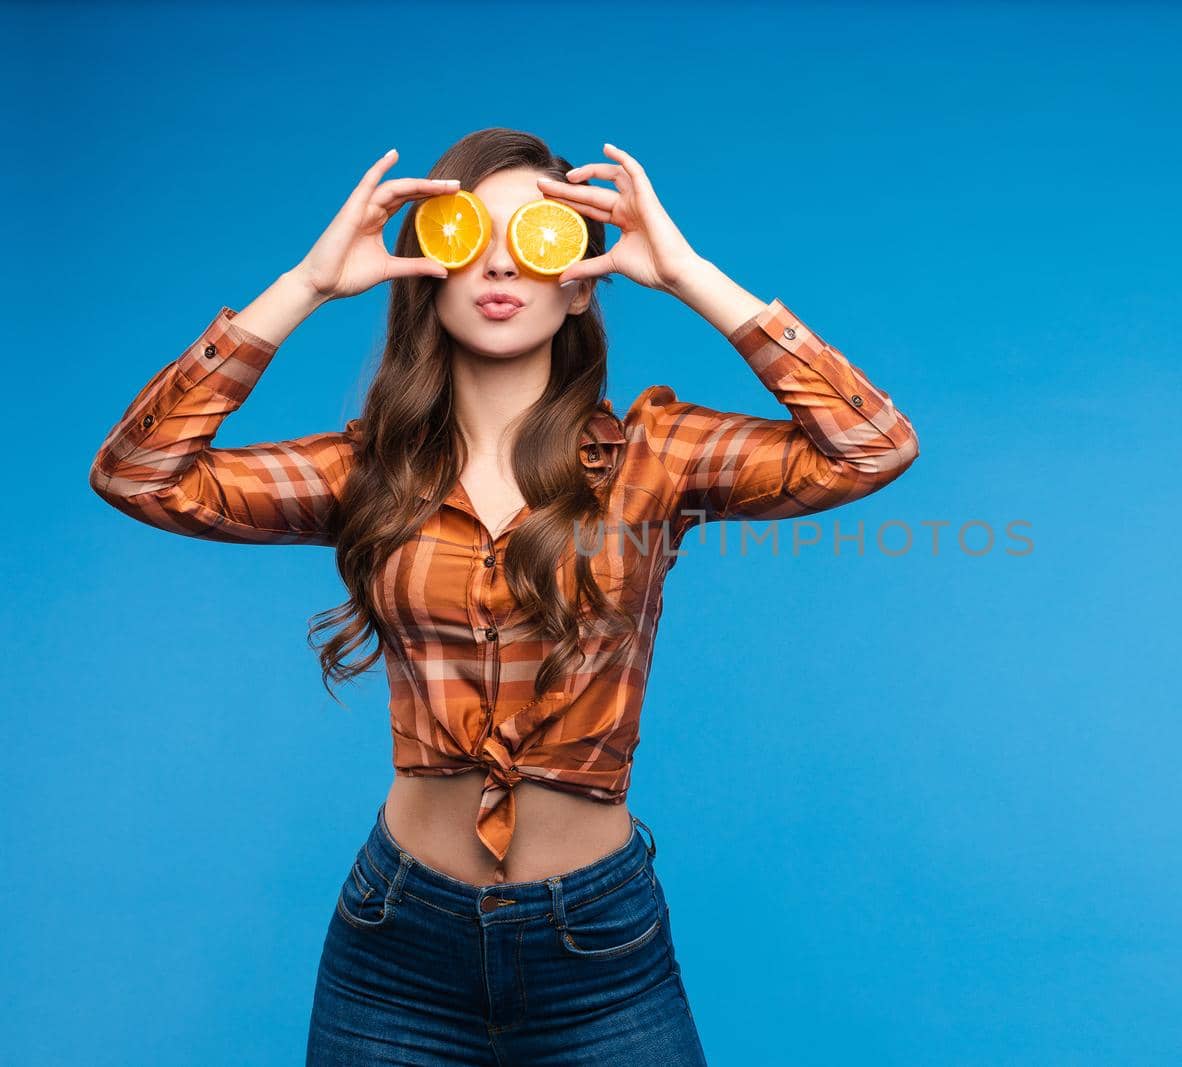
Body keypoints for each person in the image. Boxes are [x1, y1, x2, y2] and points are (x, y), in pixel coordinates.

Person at [88, 127, 920, 1065]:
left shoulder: (654, 457)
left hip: (600, 945)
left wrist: (689, 275)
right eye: (463, 235)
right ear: (425, 269)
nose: (498, 264)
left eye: (538, 237)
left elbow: (871, 444)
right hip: (394, 944)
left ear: (581, 278)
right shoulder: (367, 474)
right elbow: (140, 476)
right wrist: (308, 286)